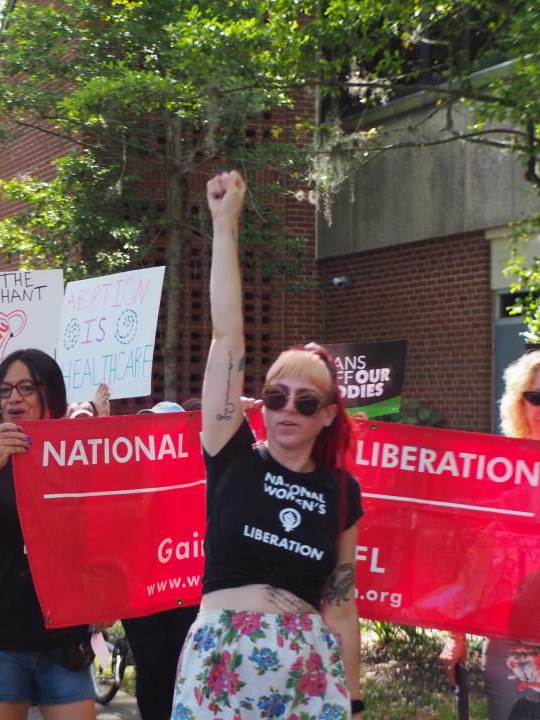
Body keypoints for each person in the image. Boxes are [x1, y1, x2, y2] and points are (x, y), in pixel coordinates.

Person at [172, 171, 363, 719]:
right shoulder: (232, 454)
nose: (287, 410)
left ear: (327, 415)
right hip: (220, 664)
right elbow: (226, 336)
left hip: (306, 675)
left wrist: (353, 700)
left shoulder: (342, 491)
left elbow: (341, 605)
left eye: (307, 402)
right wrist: (225, 225)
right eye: (278, 396)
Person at [0, 348, 96, 719]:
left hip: (63, 631)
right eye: (5, 389)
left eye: (26, 387)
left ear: (52, 394)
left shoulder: (79, 457)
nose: (14, 397)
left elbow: (102, 532)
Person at [440, 349, 540, 720]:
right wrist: (457, 636)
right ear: (520, 404)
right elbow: (472, 564)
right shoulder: (498, 471)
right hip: (513, 640)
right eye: (536, 396)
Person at [119, 400, 200, 720]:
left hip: (184, 591)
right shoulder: (128, 478)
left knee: (181, 665)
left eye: (164, 426)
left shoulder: (197, 478)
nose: (155, 433)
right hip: (140, 594)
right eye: (149, 426)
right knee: (151, 667)